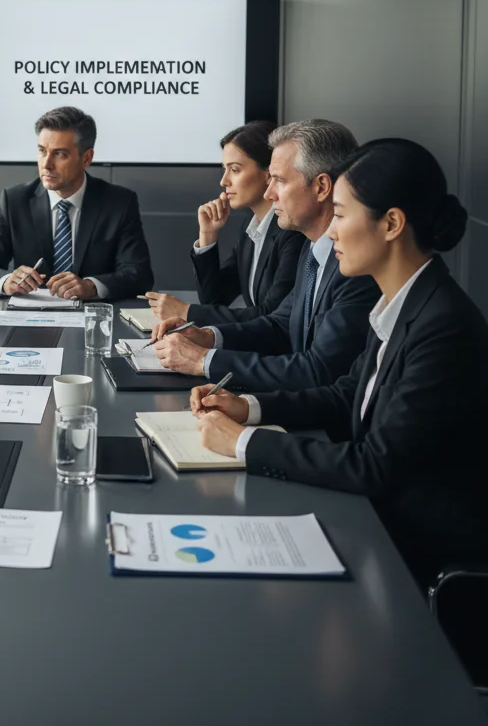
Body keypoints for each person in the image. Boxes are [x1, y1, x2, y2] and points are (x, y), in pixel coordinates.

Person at [191, 138, 487, 583]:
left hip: (413, 560)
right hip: (374, 526)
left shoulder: (443, 325)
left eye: (343, 215)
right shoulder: (404, 300)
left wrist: (241, 443)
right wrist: (248, 407)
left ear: (390, 224)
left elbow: (374, 465)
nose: (332, 231)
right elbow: (346, 393)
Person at [153, 119, 380, 391]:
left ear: (321, 187)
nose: (270, 193)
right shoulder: (313, 248)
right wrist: (207, 336)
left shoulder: (354, 266)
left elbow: (319, 371)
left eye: (279, 180)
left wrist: (204, 360)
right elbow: (281, 325)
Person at [0, 106, 153, 300]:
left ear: (87, 158)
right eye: (42, 151)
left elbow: (139, 275)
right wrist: (6, 281)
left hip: (94, 319)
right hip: (29, 321)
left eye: (60, 154)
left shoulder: (118, 203)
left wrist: (91, 286)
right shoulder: (15, 200)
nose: (46, 164)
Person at [144, 120, 305, 324]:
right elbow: (214, 299)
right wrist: (208, 237)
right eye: (224, 169)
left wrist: (187, 312)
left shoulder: (292, 231)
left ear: (269, 174)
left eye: (235, 170)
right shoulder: (252, 228)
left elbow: (273, 314)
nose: (224, 181)